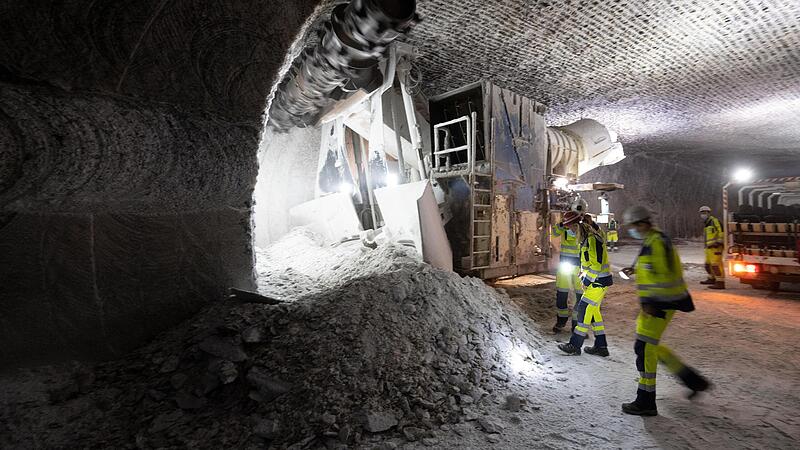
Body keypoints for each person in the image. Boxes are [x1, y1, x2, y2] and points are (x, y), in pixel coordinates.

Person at [619, 206, 711, 416]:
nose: (631, 230)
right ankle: (693, 380)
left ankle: (646, 401)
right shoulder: (652, 240)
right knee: (652, 347)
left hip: (661, 304)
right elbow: (654, 269)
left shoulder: (656, 242)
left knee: (645, 350)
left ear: (642, 224)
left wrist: (651, 303)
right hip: (660, 303)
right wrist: (635, 270)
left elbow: (663, 276)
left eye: (633, 226)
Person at [557, 211, 612, 357]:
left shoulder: (592, 240)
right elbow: (588, 265)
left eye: (572, 228)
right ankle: (601, 346)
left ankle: (575, 345)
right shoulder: (586, 240)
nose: (571, 232)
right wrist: (583, 276)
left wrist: (587, 281)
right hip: (597, 282)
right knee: (594, 315)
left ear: (577, 226)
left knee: (583, 310)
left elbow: (596, 265)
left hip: (598, 282)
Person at [551, 216, 583, 333]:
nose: (570, 226)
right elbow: (554, 232)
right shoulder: (563, 228)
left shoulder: (584, 228)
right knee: (562, 295)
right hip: (565, 266)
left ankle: (577, 324)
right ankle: (561, 321)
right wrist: (561, 223)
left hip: (580, 268)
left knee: (580, 297)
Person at [699, 205, 725, 289]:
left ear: (709, 213)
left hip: (715, 247)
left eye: (705, 212)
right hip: (708, 248)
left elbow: (721, 231)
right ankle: (711, 278)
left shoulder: (714, 221)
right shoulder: (706, 224)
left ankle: (720, 282)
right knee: (707, 265)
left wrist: (719, 242)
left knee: (716, 265)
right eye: (702, 213)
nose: (703, 214)